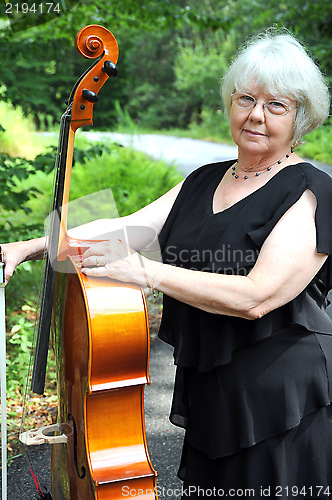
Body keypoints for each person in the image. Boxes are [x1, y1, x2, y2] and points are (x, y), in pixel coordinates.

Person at [3, 29, 332, 498]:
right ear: (229, 103)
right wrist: (29, 245)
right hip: (214, 387)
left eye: (276, 105)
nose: (256, 115)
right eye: (246, 99)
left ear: (301, 117)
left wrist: (144, 272)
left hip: (281, 398)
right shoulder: (203, 180)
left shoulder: (310, 192)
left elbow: (257, 297)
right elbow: (125, 226)